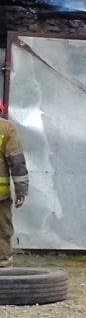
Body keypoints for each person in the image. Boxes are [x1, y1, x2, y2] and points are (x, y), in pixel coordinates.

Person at [0, 106, 30, 268]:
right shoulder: (6, 128)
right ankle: (3, 267)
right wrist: (21, 190)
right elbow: (16, 161)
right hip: (0, 196)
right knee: (2, 230)